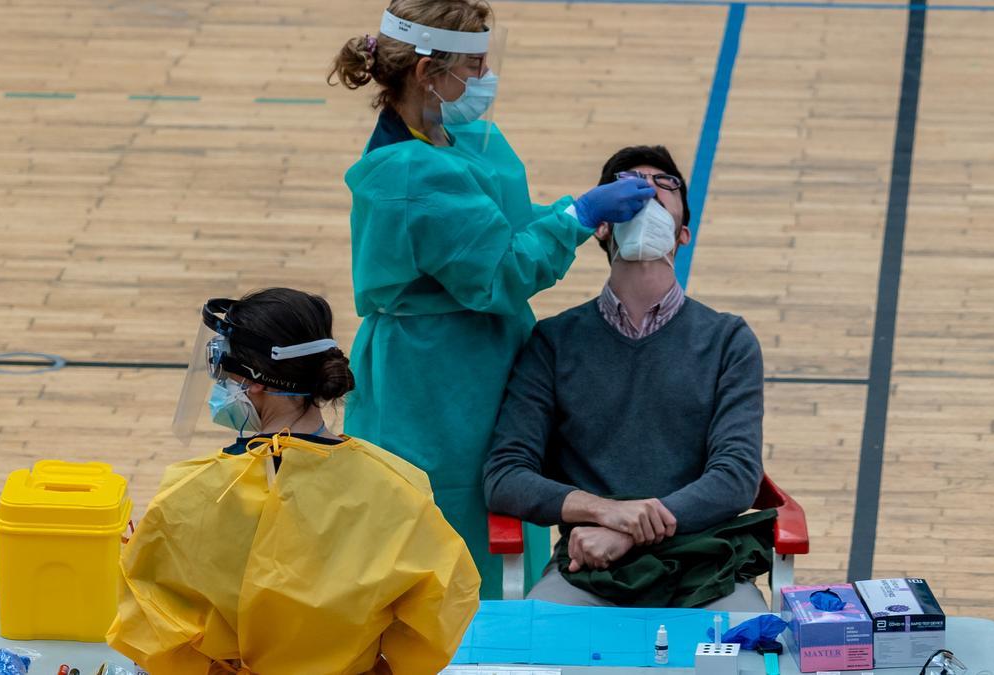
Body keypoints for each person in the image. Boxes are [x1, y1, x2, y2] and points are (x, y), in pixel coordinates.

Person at [328, 0, 657, 599]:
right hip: (434, 382)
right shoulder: (410, 174)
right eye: (472, 65)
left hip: (483, 360)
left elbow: (498, 226)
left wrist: (571, 217)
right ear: (429, 74)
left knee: (503, 494)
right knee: (451, 522)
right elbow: (500, 269)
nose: (482, 77)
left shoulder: (456, 139)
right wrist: (579, 216)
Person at [109, 288, 481, 675]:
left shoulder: (192, 491)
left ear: (252, 381)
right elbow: (443, 607)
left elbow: (148, 625)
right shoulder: (398, 484)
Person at [483, 146, 770, 611]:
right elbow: (505, 476)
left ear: (683, 235)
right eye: (628, 183)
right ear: (601, 225)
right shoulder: (553, 341)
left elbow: (736, 477)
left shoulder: (728, 340)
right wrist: (605, 513)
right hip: (588, 568)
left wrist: (627, 533)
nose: (646, 188)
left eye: (663, 185)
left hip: (706, 570)